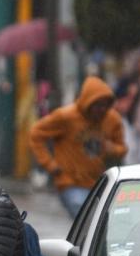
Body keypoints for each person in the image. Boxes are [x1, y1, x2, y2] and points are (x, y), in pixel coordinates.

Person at [28, 76, 127, 217]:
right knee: (85, 218)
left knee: (98, 228)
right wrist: (50, 165)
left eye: (105, 105)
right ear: (88, 102)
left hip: (100, 184)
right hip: (71, 183)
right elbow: (35, 134)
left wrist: (113, 149)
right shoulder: (66, 117)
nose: (102, 110)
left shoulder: (112, 119)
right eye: (98, 105)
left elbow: (122, 149)